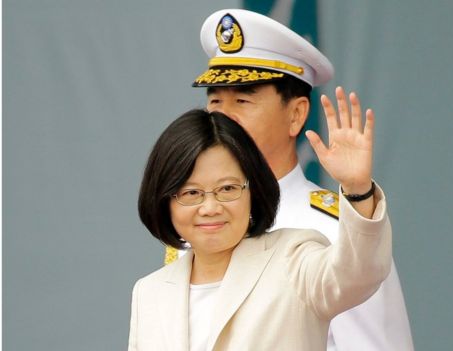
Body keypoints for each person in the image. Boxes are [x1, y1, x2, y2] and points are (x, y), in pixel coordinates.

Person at [187, 9, 414, 350]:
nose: (223, 117)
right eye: (215, 100)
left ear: (295, 115)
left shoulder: (339, 231)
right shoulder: (196, 222)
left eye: (243, 100)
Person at [129, 89, 392, 350]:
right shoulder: (149, 292)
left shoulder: (293, 260)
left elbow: (358, 274)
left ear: (253, 191)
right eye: (191, 193)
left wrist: (358, 190)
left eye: (228, 189)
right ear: (165, 200)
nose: (210, 207)